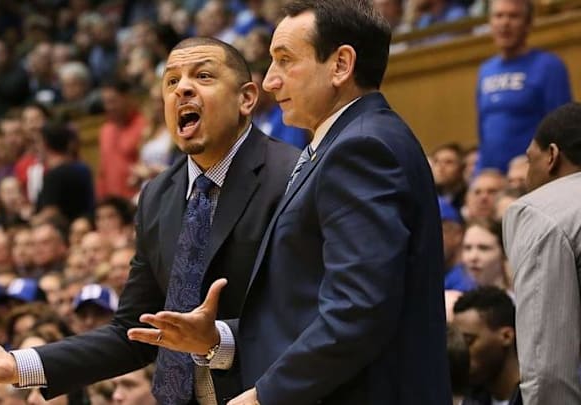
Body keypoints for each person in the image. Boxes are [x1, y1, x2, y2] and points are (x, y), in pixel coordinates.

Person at [0, 36, 299, 405]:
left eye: (203, 76)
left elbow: (312, 313)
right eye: (171, 81)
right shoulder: (157, 195)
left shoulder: (292, 175)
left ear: (247, 98)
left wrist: (218, 340)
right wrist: (17, 364)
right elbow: (131, 332)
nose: (182, 89)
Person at [130, 1, 450, 404]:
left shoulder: (362, 148)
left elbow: (358, 310)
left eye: (284, 61)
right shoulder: (342, 143)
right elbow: (306, 306)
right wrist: (218, 338)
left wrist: (266, 394)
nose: (270, 82)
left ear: (340, 65)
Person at [502, 102, 581, 404]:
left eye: (528, 159)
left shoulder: (540, 212)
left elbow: (547, 371)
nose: (525, 175)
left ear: (552, 156)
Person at [476, 0, 571, 173]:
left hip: (531, 174)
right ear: (490, 23)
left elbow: (562, 130)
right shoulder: (485, 70)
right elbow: (483, 130)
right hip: (492, 177)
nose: (505, 23)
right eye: (499, 16)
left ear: (528, 24)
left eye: (513, 16)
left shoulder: (549, 66)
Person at [452, 287, 521, 405]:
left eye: (469, 341)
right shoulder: (465, 399)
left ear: (506, 336)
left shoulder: (539, 397)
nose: (460, 350)